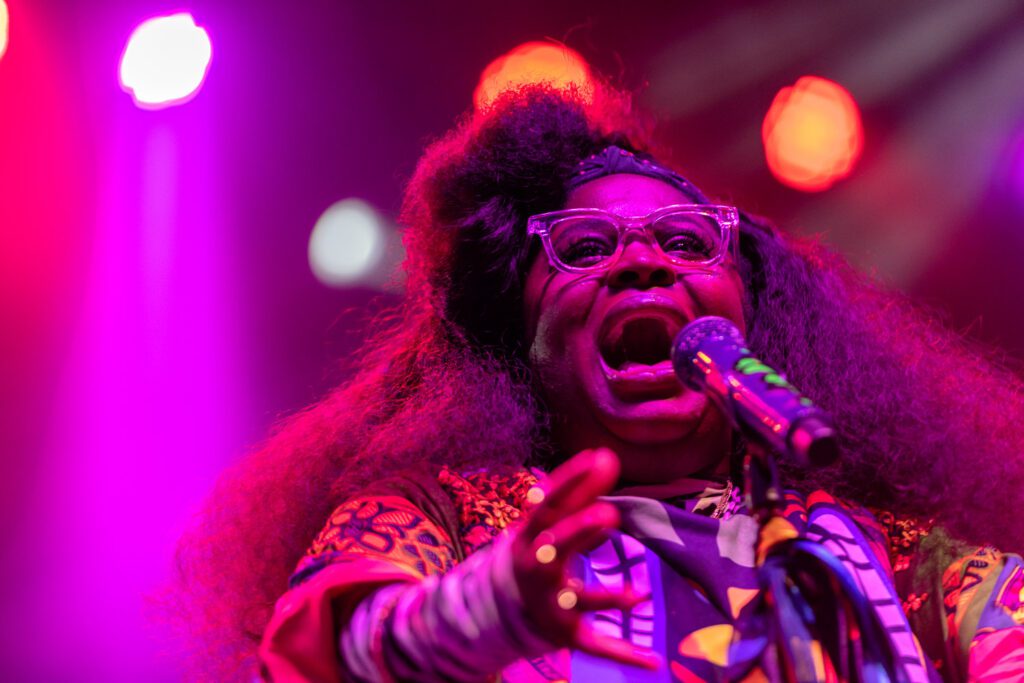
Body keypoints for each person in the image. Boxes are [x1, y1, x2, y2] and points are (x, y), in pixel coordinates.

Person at [173, 84, 1024, 682]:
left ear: (754, 315)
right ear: (521, 338)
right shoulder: (445, 519)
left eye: (690, 243)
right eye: (583, 249)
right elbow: (323, 648)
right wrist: (473, 616)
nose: (645, 262)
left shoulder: (898, 557)